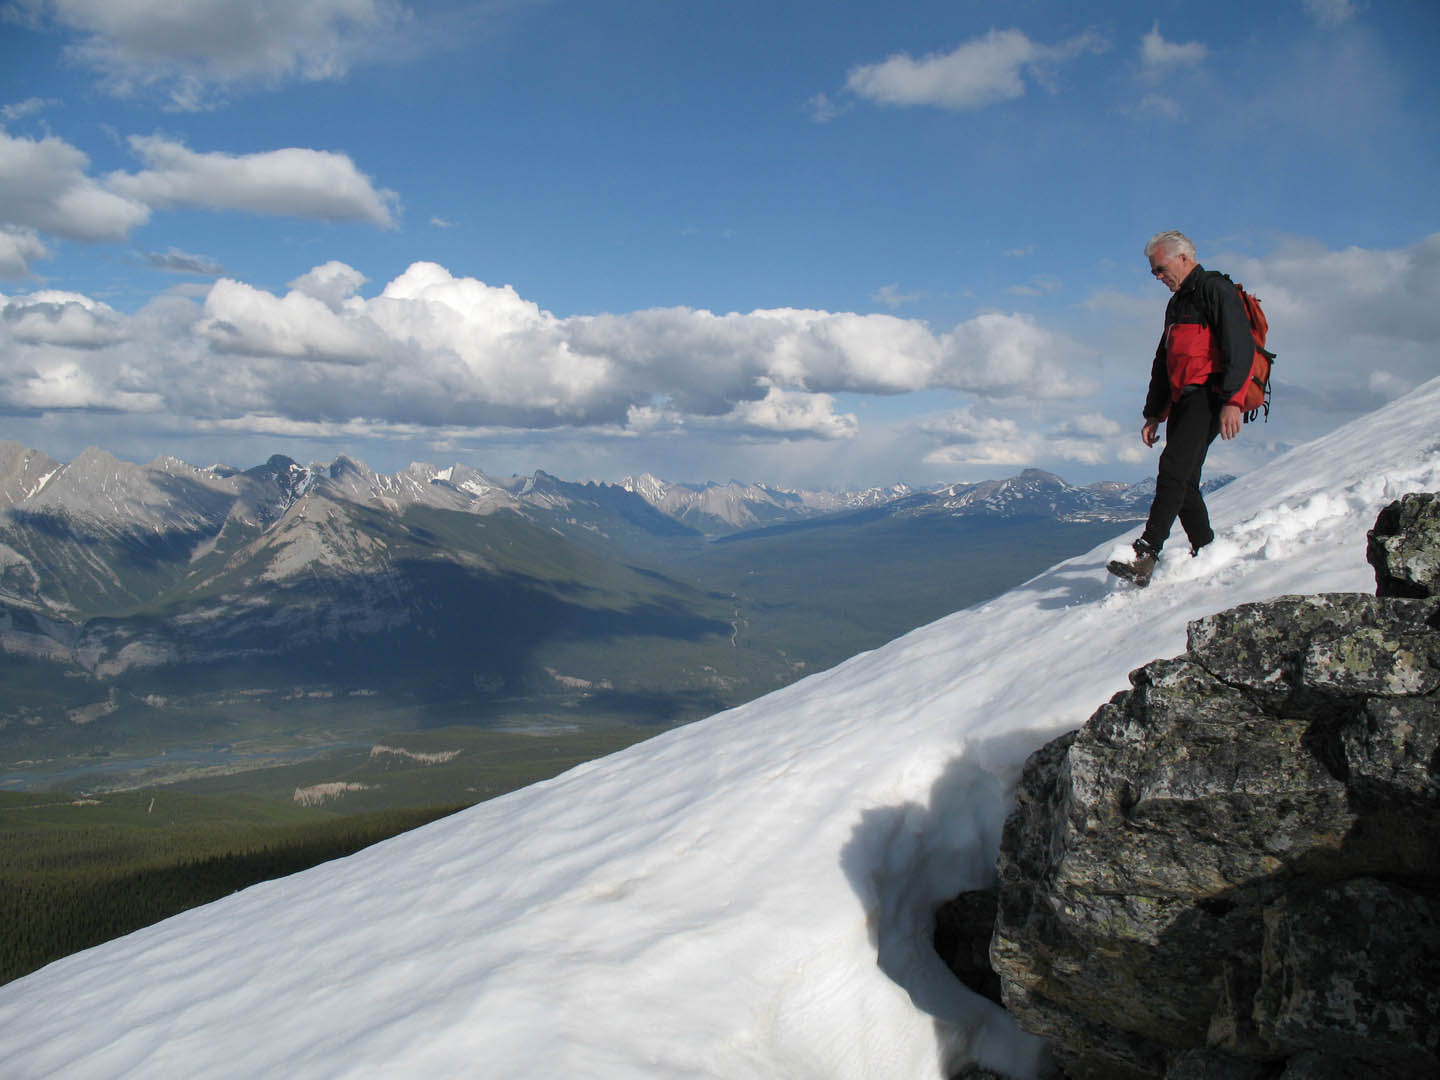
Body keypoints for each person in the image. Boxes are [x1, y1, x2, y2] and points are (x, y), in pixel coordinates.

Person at [1108, 230, 1253, 587]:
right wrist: (1153, 413)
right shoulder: (1176, 304)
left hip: (1209, 395)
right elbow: (1164, 359)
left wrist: (1233, 401)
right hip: (1183, 399)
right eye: (1154, 272)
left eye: (1160, 269)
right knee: (1184, 478)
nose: (1158, 277)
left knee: (1173, 467)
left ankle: (1147, 552)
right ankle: (1205, 547)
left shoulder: (1216, 290)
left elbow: (1240, 346)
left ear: (1183, 258)